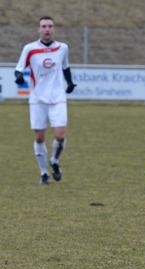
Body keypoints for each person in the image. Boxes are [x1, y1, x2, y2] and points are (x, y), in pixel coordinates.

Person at [15, 16, 76, 185]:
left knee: (60, 136)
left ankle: (55, 161)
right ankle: (43, 173)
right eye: (44, 26)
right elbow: (19, 69)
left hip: (57, 97)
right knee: (40, 138)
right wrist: (19, 77)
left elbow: (65, 67)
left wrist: (70, 82)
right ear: (38, 29)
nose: (47, 29)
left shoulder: (62, 48)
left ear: (53, 29)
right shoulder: (30, 49)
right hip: (37, 99)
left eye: (50, 26)